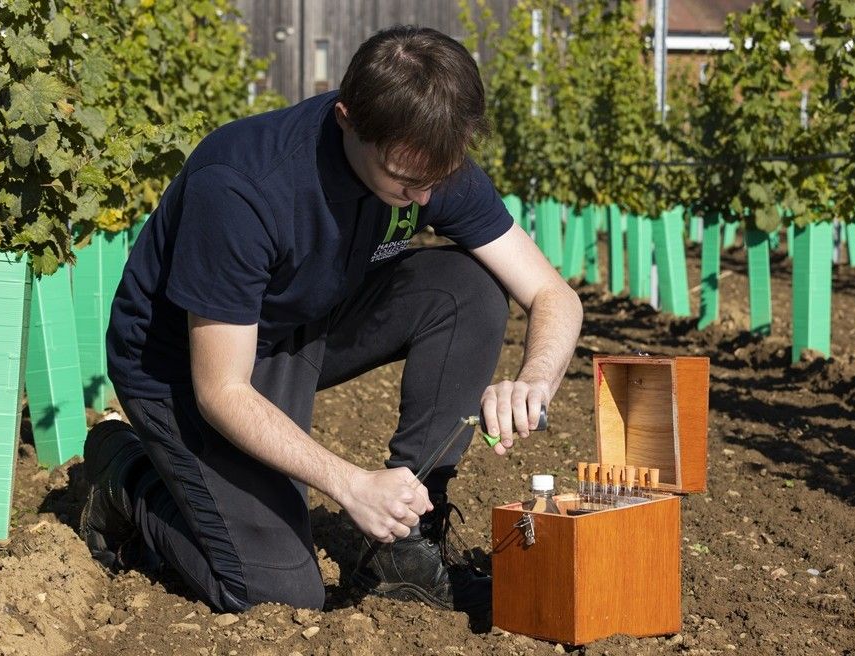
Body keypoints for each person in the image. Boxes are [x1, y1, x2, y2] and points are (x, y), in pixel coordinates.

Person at [80, 25, 583, 617]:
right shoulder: (244, 187)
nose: (424, 200)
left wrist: (535, 382)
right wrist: (349, 484)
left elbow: (554, 294)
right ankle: (127, 474)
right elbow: (221, 390)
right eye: (405, 181)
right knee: (279, 592)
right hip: (186, 367)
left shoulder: (426, 157)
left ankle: (406, 536)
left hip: (301, 320)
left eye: (436, 181)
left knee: (469, 286)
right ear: (346, 118)